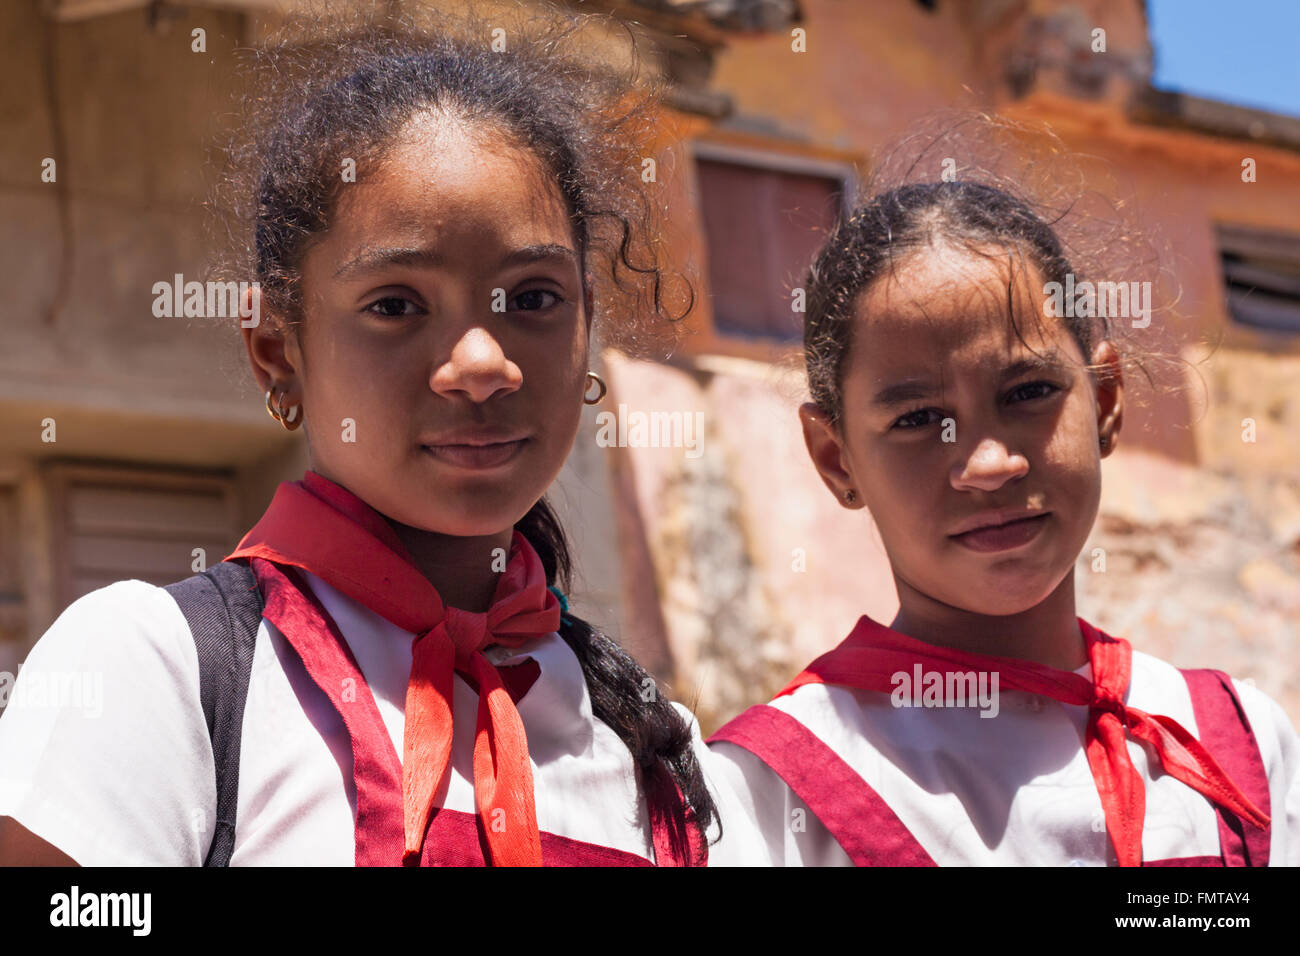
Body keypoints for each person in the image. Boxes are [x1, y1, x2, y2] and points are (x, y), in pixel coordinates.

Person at [0, 10, 722, 866]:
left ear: (588, 331)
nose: (482, 363)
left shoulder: (650, 736)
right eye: (395, 305)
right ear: (279, 355)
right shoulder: (155, 673)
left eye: (532, 298)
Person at [705, 124, 1299, 866]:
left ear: (1106, 401)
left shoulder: (1239, 744)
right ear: (836, 458)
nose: (987, 463)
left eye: (1029, 392)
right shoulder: (773, 794)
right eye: (919, 419)